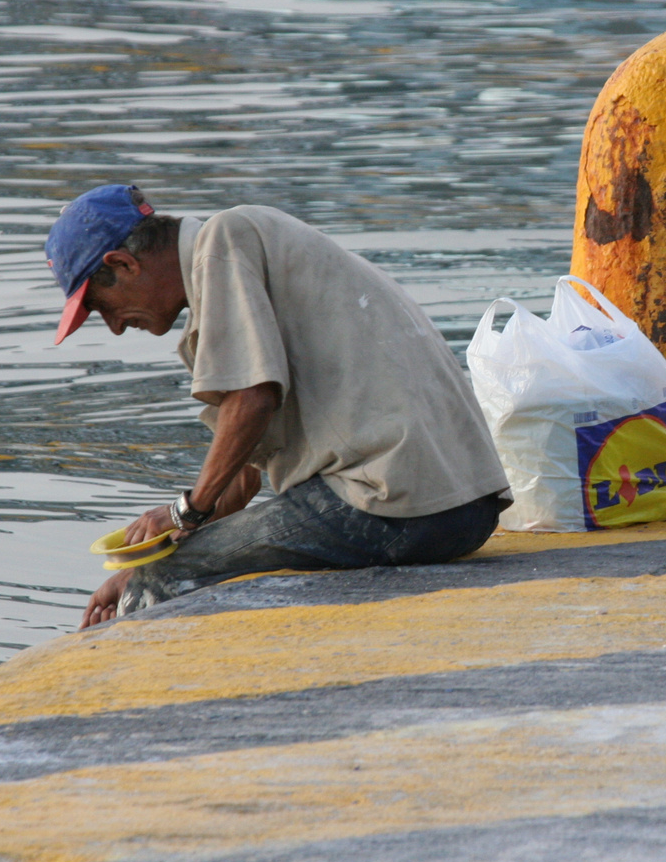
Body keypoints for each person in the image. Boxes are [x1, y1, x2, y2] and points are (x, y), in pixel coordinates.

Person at [45, 185, 511, 628]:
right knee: (164, 570)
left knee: (161, 585)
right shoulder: (242, 255)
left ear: (123, 264)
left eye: (102, 308)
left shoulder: (223, 241)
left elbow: (252, 400)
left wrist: (179, 518)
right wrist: (158, 551)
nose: (114, 328)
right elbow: (244, 474)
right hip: (466, 507)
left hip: (397, 505)